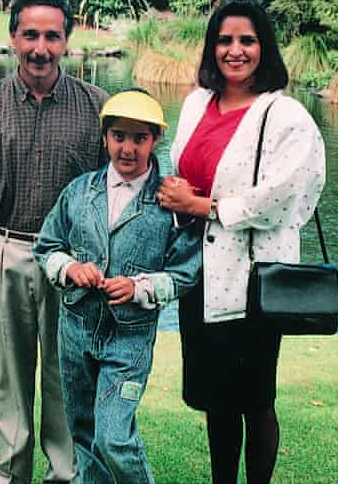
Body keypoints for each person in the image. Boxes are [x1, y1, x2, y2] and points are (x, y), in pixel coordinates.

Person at [157, 0, 326, 483]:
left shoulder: (285, 116)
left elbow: (283, 197)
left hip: (254, 278)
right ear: (211, 48)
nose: (235, 50)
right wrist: (178, 194)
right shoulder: (195, 104)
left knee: (254, 397)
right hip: (199, 272)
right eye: (224, 40)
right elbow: (182, 170)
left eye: (246, 40)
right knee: (216, 397)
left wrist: (204, 206)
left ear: (264, 47)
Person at [0, 0, 108, 484]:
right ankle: (10, 475)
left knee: (66, 377)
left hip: (73, 261)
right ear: (13, 37)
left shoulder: (97, 109)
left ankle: (64, 475)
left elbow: (115, 195)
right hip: (5, 252)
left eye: (52, 36)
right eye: (30, 35)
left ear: (67, 40)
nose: (40, 47)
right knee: (10, 380)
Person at [33, 89, 202, 483]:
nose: (128, 149)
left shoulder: (169, 204)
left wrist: (140, 287)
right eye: (119, 137)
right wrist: (70, 268)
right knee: (82, 434)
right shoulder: (79, 192)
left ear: (155, 139)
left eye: (139, 138)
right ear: (105, 137)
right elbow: (47, 247)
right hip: (75, 331)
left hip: (128, 340)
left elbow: (186, 272)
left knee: (113, 438)